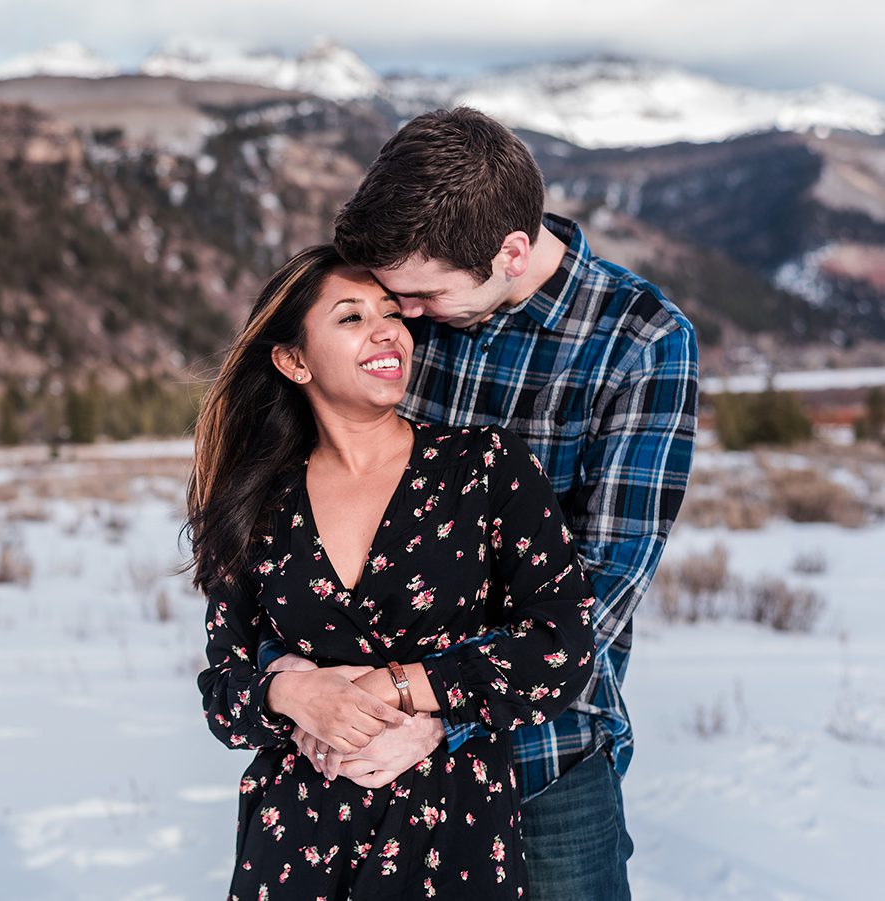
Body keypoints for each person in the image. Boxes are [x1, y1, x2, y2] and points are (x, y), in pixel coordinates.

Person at [265, 107, 700, 900]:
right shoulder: (401, 309)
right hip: (366, 758)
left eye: (424, 296)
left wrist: (439, 714)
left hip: (539, 757)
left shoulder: (638, 343)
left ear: (511, 251)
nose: (408, 318)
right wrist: (297, 681)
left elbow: (602, 584)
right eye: (396, 300)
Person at [189, 244, 596, 899]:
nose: (387, 331)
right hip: (299, 844)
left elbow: (562, 647)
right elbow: (223, 692)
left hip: (452, 839)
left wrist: (401, 687)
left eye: (391, 313)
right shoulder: (256, 501)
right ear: (294, 360)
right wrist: (291, 695)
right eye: (350, 317)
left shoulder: (485, 468)